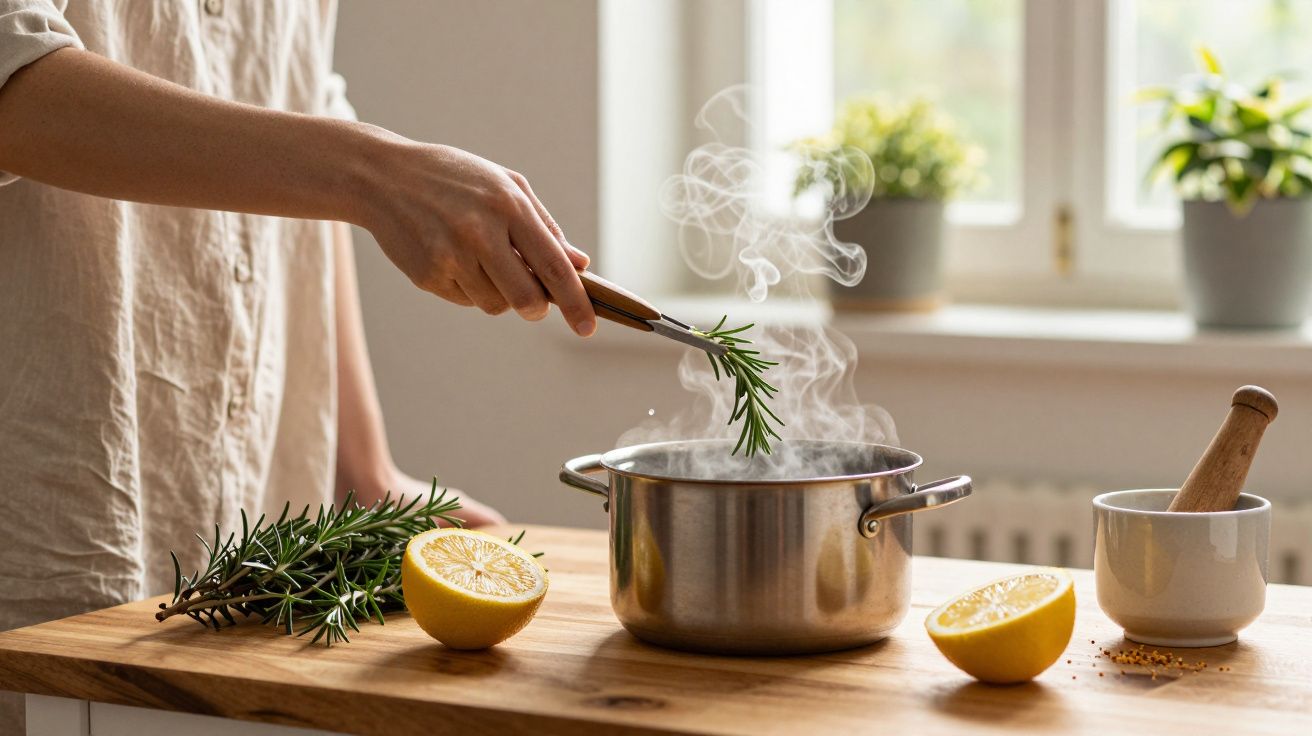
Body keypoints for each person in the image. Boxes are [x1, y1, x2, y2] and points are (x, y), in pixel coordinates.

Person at [0, 2, 597, 731]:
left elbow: (295, 87)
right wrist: (375, 172)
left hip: (238, 520)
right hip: (42, 493)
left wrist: (365, 467)